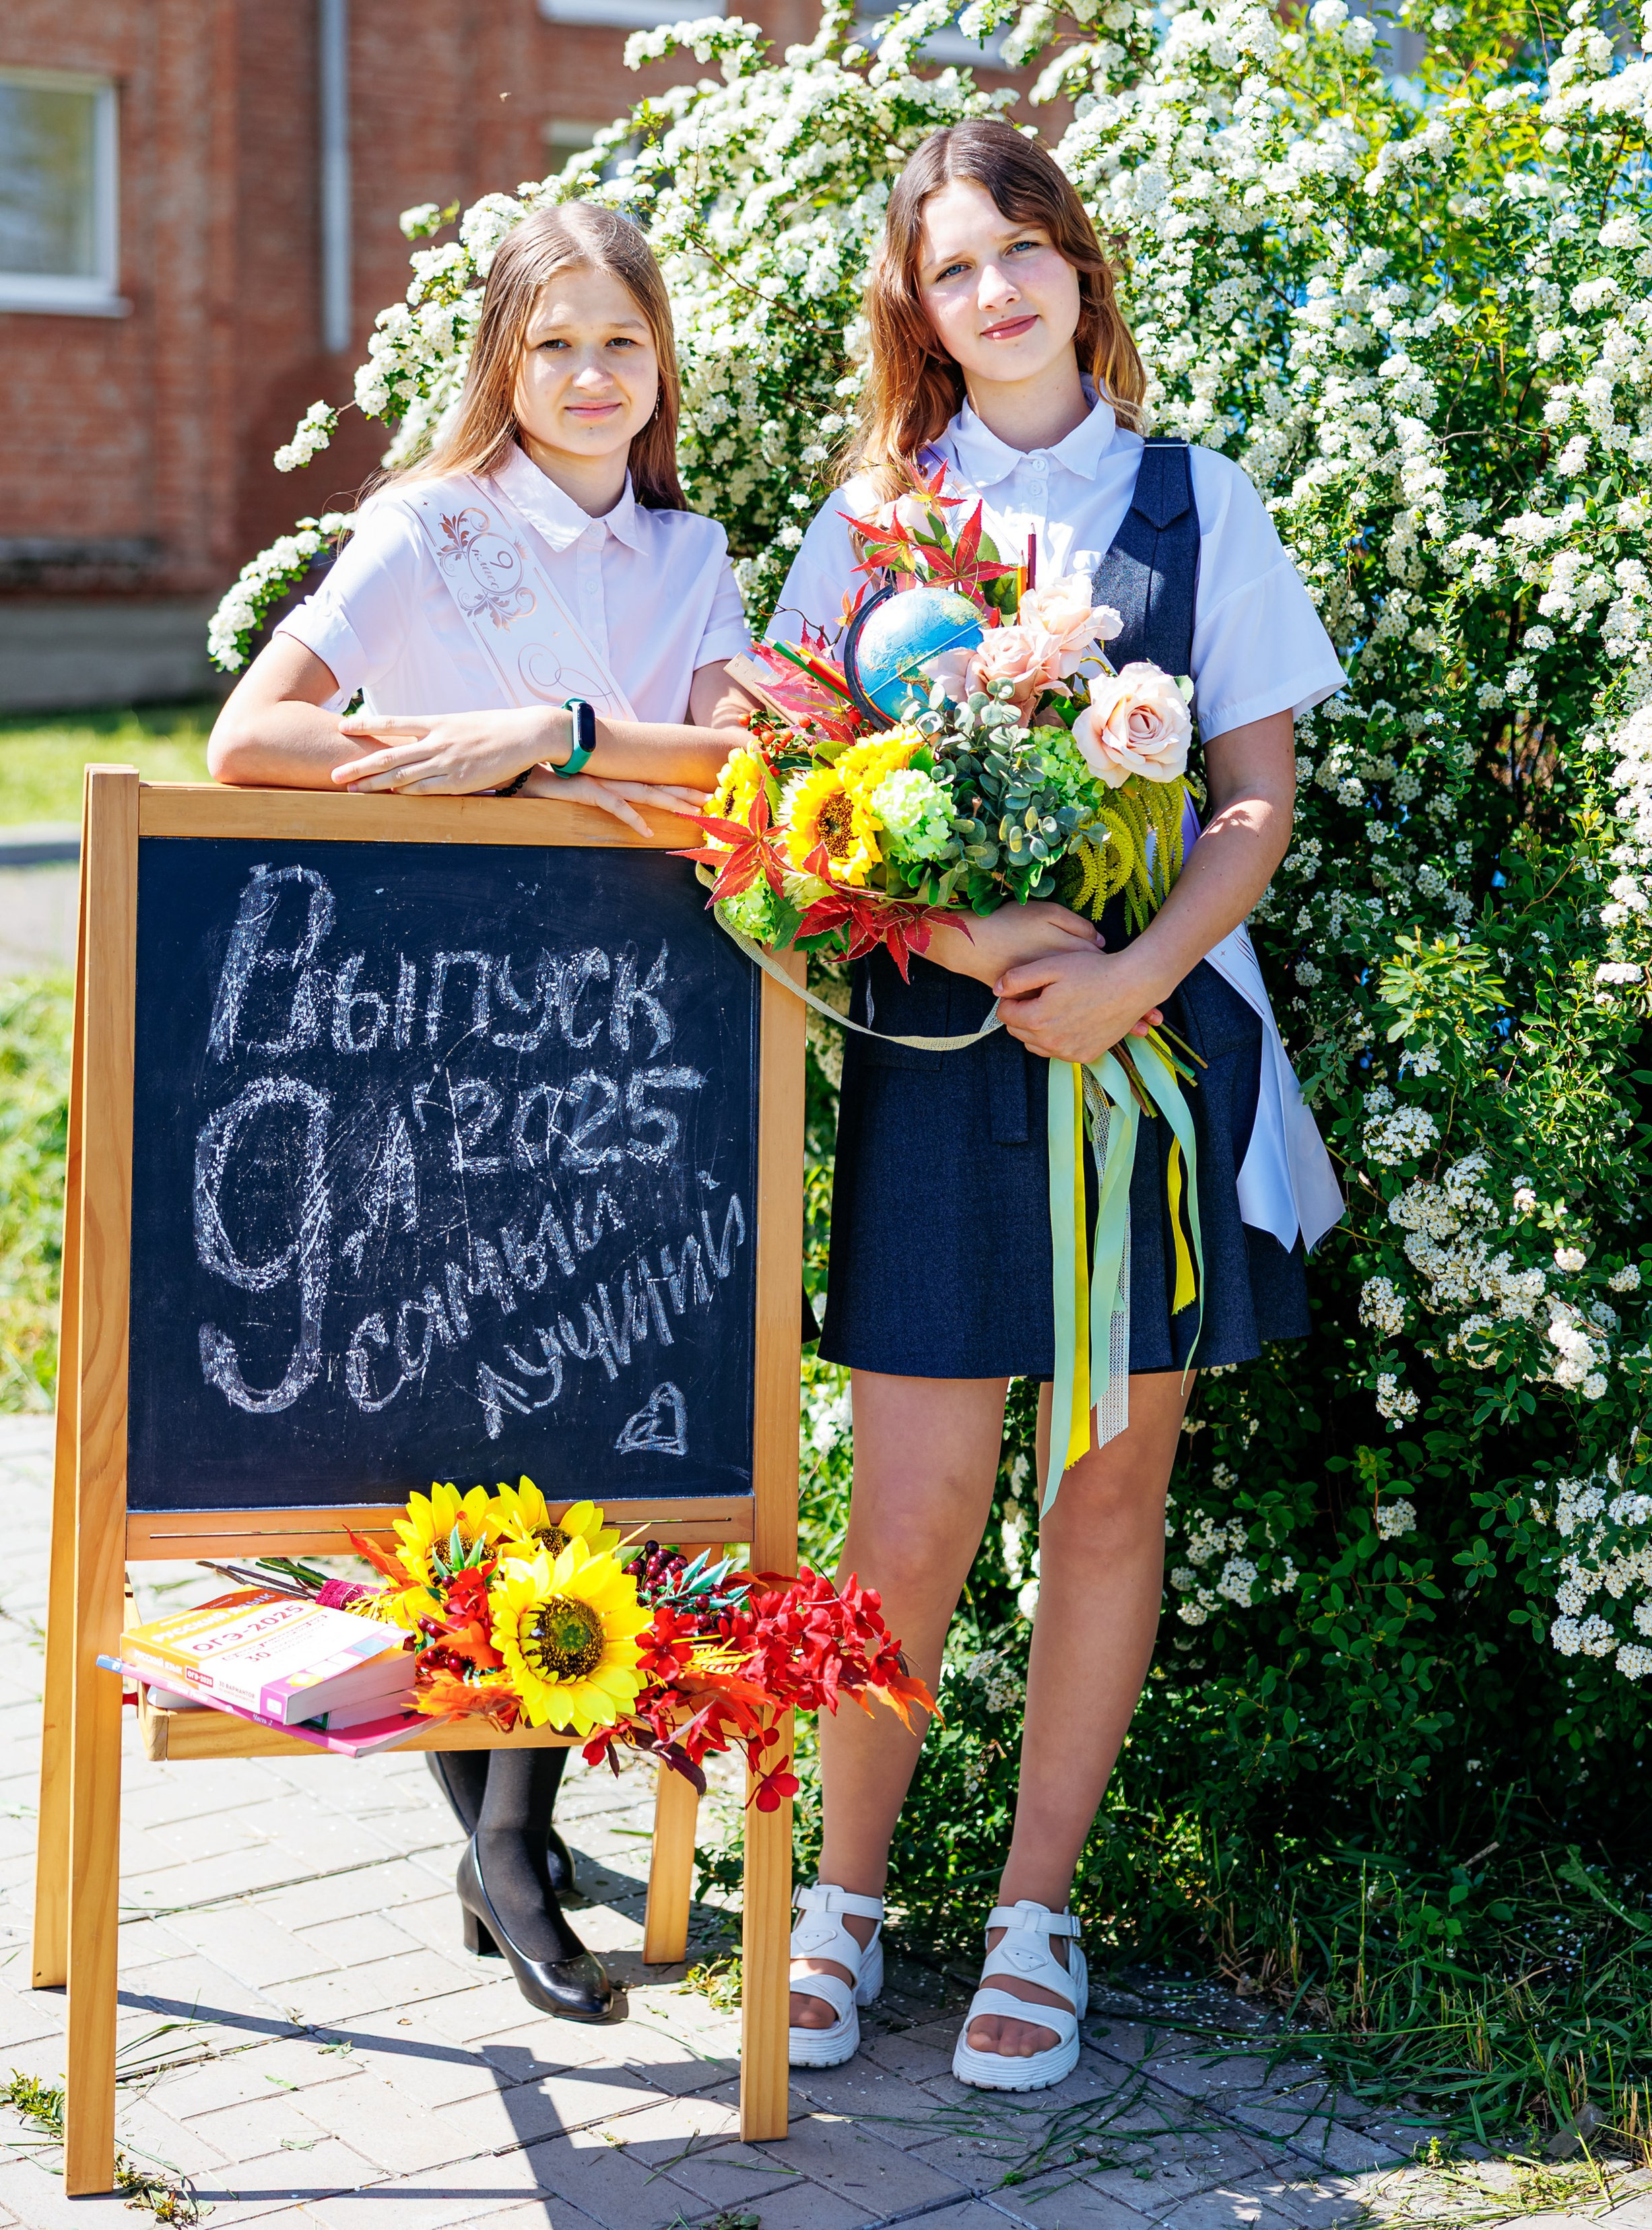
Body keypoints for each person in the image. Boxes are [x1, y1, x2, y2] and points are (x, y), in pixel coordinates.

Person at [764, 120, 1346, 2091]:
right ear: (915, 313)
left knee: (1106, 1494)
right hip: (942, 1068)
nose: (997, 290)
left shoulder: (1200, 503)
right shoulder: (871, 520)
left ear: (1081, 268)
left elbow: (1254, 801)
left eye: (1024, 249)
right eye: (954, 268)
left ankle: (1035, 1912)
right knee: (914, 1511)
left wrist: (1125, 977)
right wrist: (968, 945)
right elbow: (791, 811)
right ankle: (845, 1900)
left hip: (1156, 1068)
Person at [209, 201, 754, 2021]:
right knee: (443, 1405)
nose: (591, 378)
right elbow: (249, 740)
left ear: (660, 364)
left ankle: (501, 1840)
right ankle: (504, 1842)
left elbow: (749, 768)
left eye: (622, 344)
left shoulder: (694, 554)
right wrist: (449, 752)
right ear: (500, 367)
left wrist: (561, 734)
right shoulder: (425, 530)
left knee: (580, 1396)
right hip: (421, 1026)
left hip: (621, 1041)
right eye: (554, 347)